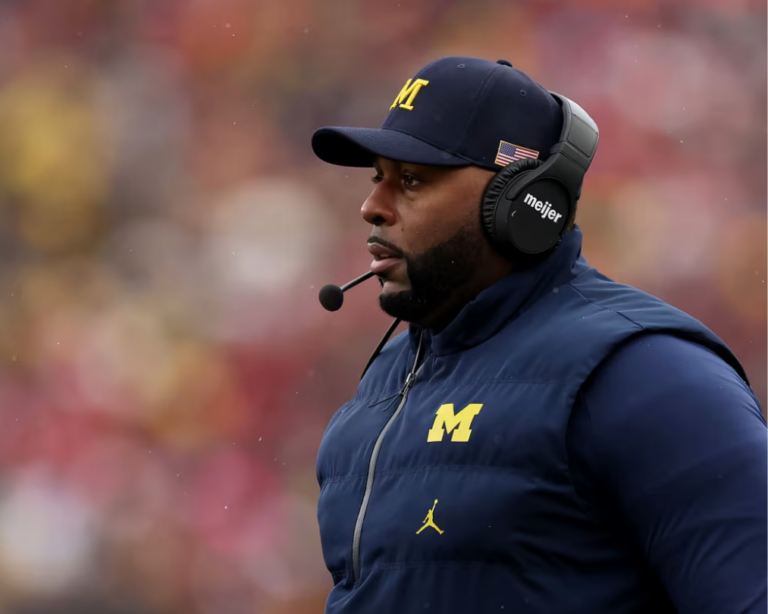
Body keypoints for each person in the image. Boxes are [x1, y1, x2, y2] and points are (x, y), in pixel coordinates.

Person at [310, 56, 767, 614]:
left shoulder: (649, 375)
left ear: (524, 202)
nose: (371, 207)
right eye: (377, 177)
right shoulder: (382, 384)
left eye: (410, 180)